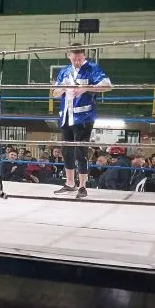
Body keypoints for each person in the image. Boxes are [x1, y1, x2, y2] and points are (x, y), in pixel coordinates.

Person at [51, 43, 112, 198]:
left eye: (79, 58)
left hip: (84, 116)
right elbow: (54, 94)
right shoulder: (64, 71)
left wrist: (86, 88)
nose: (77, 61)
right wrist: (64, 88)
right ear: (69, 56)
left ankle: (82, 186)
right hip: (66, 115)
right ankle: (70, 183)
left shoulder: (92, 68)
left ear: (84, 56)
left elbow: (107, 86)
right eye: (74, 58)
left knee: (81, 151)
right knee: (66, 151)